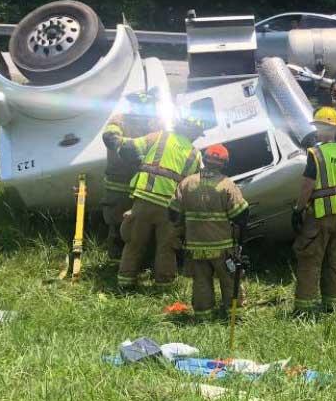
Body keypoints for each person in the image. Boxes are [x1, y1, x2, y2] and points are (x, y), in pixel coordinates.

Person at [116, 115, 204, 290]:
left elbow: (128, 147)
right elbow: (195, 186)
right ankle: (164, 286)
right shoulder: (196, 154)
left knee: (135, 242)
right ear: (194, 134)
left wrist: (139, 165)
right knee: (167, 247)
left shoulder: (160, 136)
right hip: (170, 208)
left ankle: (125, 283)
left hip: (145, 199)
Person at [170, 144, 250, 321]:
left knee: (201, 282)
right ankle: (235, 316)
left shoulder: (186, 183)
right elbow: (241, 215)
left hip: (195, 246)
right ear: (224, 164)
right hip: (223, 247)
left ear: (204, 160)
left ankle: (203, 316)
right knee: (230, 280)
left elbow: (173, 212)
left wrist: (183, 231)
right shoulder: (227, 185)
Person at [291, 106, 336, 314]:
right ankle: (333, 303)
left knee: (310, 260)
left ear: (320, 128)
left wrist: (298, 209)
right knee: (334, 260)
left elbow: (307, 187)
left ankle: (305, 309)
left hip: (319, 216)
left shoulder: (315, 153)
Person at [100, 92, 158, 259]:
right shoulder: (119, 121)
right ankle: (114, 261)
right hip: (119, 183)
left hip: (142, 185)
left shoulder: (154, 123)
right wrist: (127, 149)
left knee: (142, 223)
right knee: (117, 222)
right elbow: (110, 136)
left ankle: (139, 261)